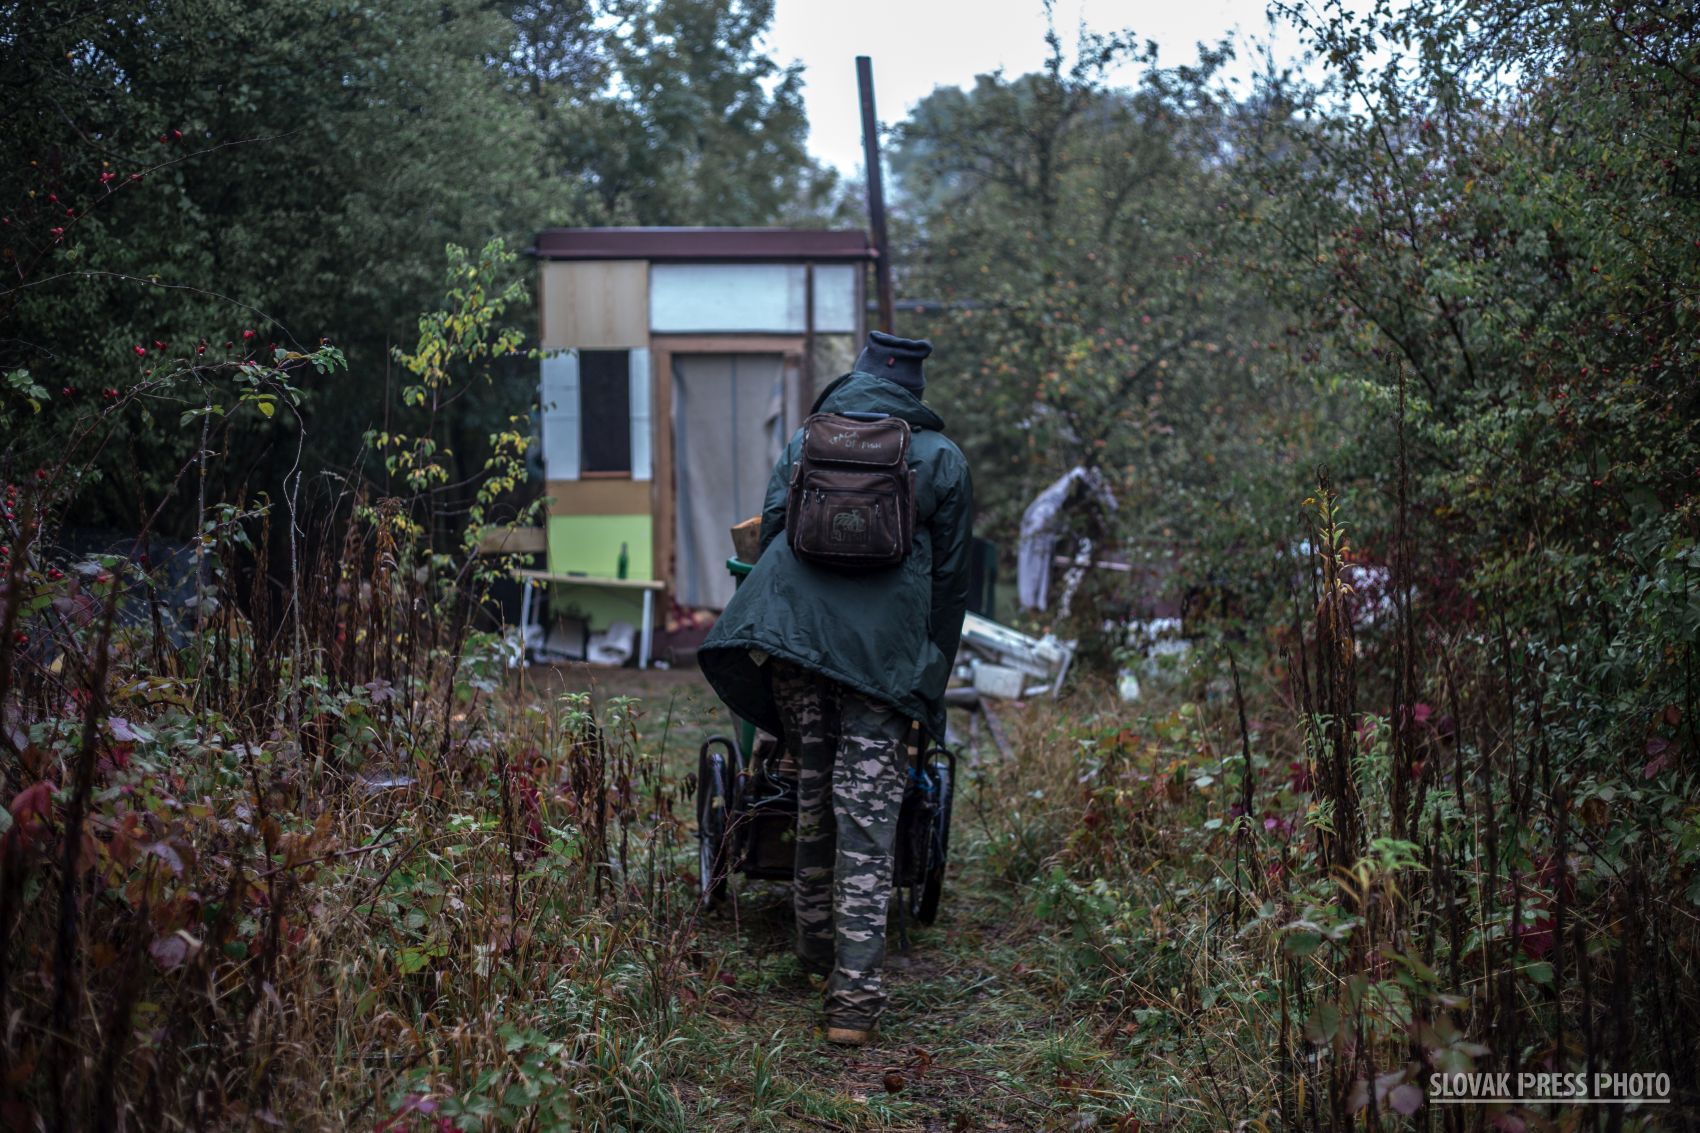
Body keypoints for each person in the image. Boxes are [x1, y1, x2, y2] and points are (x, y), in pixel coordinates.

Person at [698, 330, 974, 1046]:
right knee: (868, 819)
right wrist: (930, 673)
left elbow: (774, 534)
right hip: (882, 664)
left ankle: (815, 949)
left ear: (857, 377)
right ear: (914, 388)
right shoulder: (942, 459)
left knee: (814, 795)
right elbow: (952, 583)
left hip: (799, 651)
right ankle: (853, 1000)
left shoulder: (805, 442)